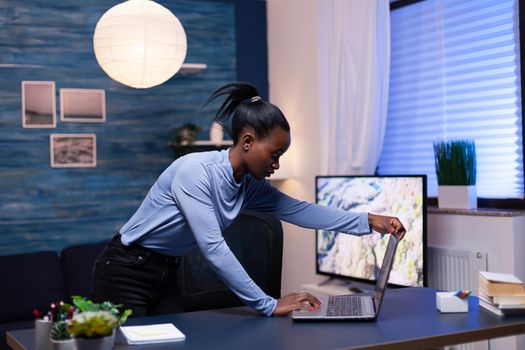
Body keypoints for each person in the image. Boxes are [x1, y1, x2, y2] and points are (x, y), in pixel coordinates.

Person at [91, 82, 406, 317]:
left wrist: (367, 220)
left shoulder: (248, 185)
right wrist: (268, 304)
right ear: (247, 141)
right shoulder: (194, 172)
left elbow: (301, 211)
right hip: (125, 270)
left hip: (166, 272)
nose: (277, 164)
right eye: (274, 154)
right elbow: (213, 248)